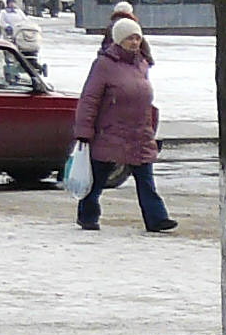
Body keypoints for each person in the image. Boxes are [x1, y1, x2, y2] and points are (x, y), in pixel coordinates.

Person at [70, 17, 173, 233]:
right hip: (110, 133)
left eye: (137, 38)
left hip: (138, 133)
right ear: (119, 41)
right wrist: (84, 132)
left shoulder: (141, 63)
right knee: (98, 178)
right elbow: (90, 99)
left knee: (145, 179)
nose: (134, 42)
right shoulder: (104, 64)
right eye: (129, 39)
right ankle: (87, 216)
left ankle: (157, 219)